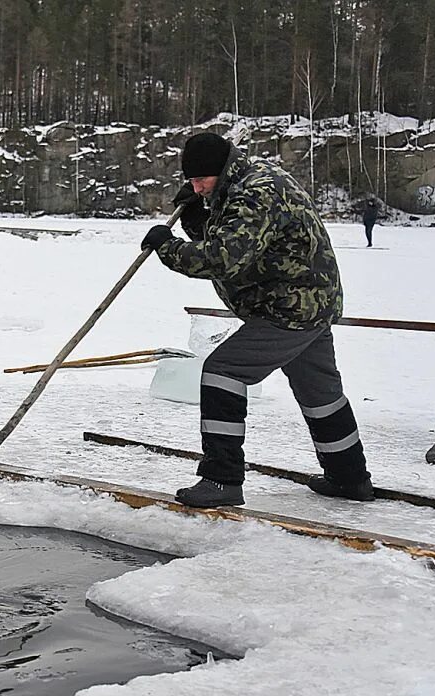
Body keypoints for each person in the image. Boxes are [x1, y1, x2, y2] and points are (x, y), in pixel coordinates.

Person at [140, 132, 373, 508]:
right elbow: (241, 238)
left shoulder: (256, 192)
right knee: (320, 394)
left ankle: (221, 479)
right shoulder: (244, 182)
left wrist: (169, 248)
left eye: (201, 180)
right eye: (192, 182)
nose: (196, 187)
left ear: (221, 169)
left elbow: (223, 258)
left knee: (223, 372)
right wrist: (199, 219)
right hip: (307, 301)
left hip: (290, 307)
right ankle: (349, 477)